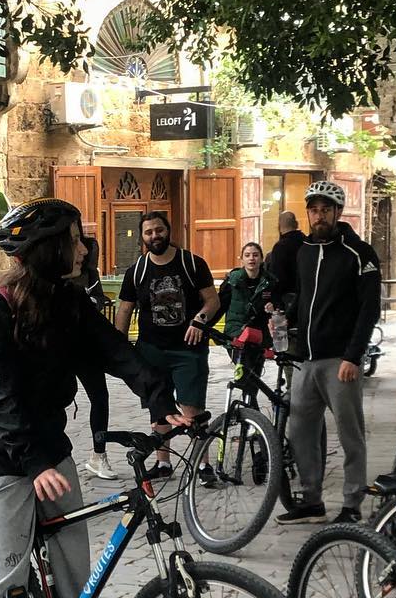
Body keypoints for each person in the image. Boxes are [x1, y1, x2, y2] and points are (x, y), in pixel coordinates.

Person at [0, 198, 186, 598]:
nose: (84, 248)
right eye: (76, 239)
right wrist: (32, 461)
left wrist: (159, 398)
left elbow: (115, 351)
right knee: (11, 580)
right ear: (49, 249)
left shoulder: (69, 300)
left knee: (72, 574)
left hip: (48, 452)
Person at [276, 180, 382, 524]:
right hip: (306, 359)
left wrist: (354, 355)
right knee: (300, 431)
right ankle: (312, 500)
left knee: (350, 434)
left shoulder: (359, 252)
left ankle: (352, 504)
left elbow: (369, 308)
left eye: (326, 209)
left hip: (341, 360)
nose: (319, 216)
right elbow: (304, 298)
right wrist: (283, 317)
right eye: (314, 209)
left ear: (338, 212)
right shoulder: (304, 250)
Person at [114, 210, 220, 477]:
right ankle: (163, 462)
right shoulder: (136, 271)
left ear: (168, 231)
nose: (154, 236)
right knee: (158, 407)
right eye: (148, 232)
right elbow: (124, 310)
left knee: (192, 408)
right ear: (142, 237)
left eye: (159, 230)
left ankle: (202, 463)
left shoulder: (191, 263)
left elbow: (212, 300)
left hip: (188, 350)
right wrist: (119, 346)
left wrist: (199, 320)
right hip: (151, 350)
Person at [74, 225, 115, 483]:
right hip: (56, 345)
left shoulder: (90, 273)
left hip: (85, 344)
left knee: (100, 397)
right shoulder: (51, 275)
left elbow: (99, 298)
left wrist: (93, 302)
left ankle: (98, 455)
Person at [217, 240, 274, 401]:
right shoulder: (233, 281)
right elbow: (219, 305)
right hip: (237, 336)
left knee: (254, 376)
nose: (251, 259)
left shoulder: (270, 282)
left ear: (261, 259)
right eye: (247, 255)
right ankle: (248, 411)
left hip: (260, 337)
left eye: (255, 255)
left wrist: (273, 307)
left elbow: (279, 306)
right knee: (245, 373)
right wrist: (204, 326)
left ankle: (250, 409)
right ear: (241, 259)